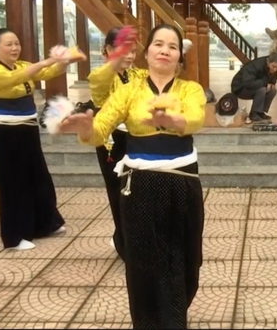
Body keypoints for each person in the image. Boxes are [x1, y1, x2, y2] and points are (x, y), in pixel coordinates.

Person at [59, 24, 205, 329]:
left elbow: (195, 118)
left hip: (182, 185)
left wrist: (172, 120)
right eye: (158, 44)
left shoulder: (191, 89)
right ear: (147, 52)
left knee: (186, 261)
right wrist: (86, 128)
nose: (165, 50)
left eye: (172, 46)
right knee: (143, 264)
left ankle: (174, 311)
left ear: (179, 56)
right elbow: (100, 129)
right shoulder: (128, 90)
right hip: (141, 186)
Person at [0, 28, 82, 250]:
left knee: (38, 177)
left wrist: (65, 62)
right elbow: (20, 77)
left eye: (16, 43)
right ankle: (14, 236)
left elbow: (45, 73)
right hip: (6, 133)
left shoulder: (21, 64)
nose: (14, 48)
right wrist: (47, 60)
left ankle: (46, 224)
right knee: (13, 183)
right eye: (8, 44)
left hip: (27, 129)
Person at [87, 27, 146, 257]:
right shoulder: (102, 76)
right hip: (111, 140)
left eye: (132, 51)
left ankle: (128, 238)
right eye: (123, 50)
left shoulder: (136, 74)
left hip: (134, 137)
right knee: (118, 192)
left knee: (137, 191)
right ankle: (125, 245)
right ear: (108, 49)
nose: (129, 56)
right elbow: (98, 81)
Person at [231, 52, 277, 122]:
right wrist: (265, 84)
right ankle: (253, 114)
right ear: (268, 62)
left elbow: (272, 80)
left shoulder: (273, 69)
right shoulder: (255, 65)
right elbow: (248, 83)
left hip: (254, 86)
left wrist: (272, 84)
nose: (275, 70)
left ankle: (260, 112)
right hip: (240, 88)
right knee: (262, 90)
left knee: (272, 91)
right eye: (273, 66)